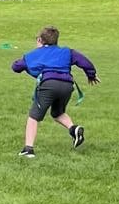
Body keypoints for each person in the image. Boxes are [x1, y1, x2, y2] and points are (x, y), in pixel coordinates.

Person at [11, 26, 99, 158]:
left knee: (34, 116)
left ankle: (28, 149)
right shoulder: (67, 51)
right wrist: (91, 75)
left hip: (49, 84)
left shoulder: (35, 54)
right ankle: (74, 129)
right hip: (67, 85)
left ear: (40, 40)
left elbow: (16, 67)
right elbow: (84, 62)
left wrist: (23, 63)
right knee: (58, 113)